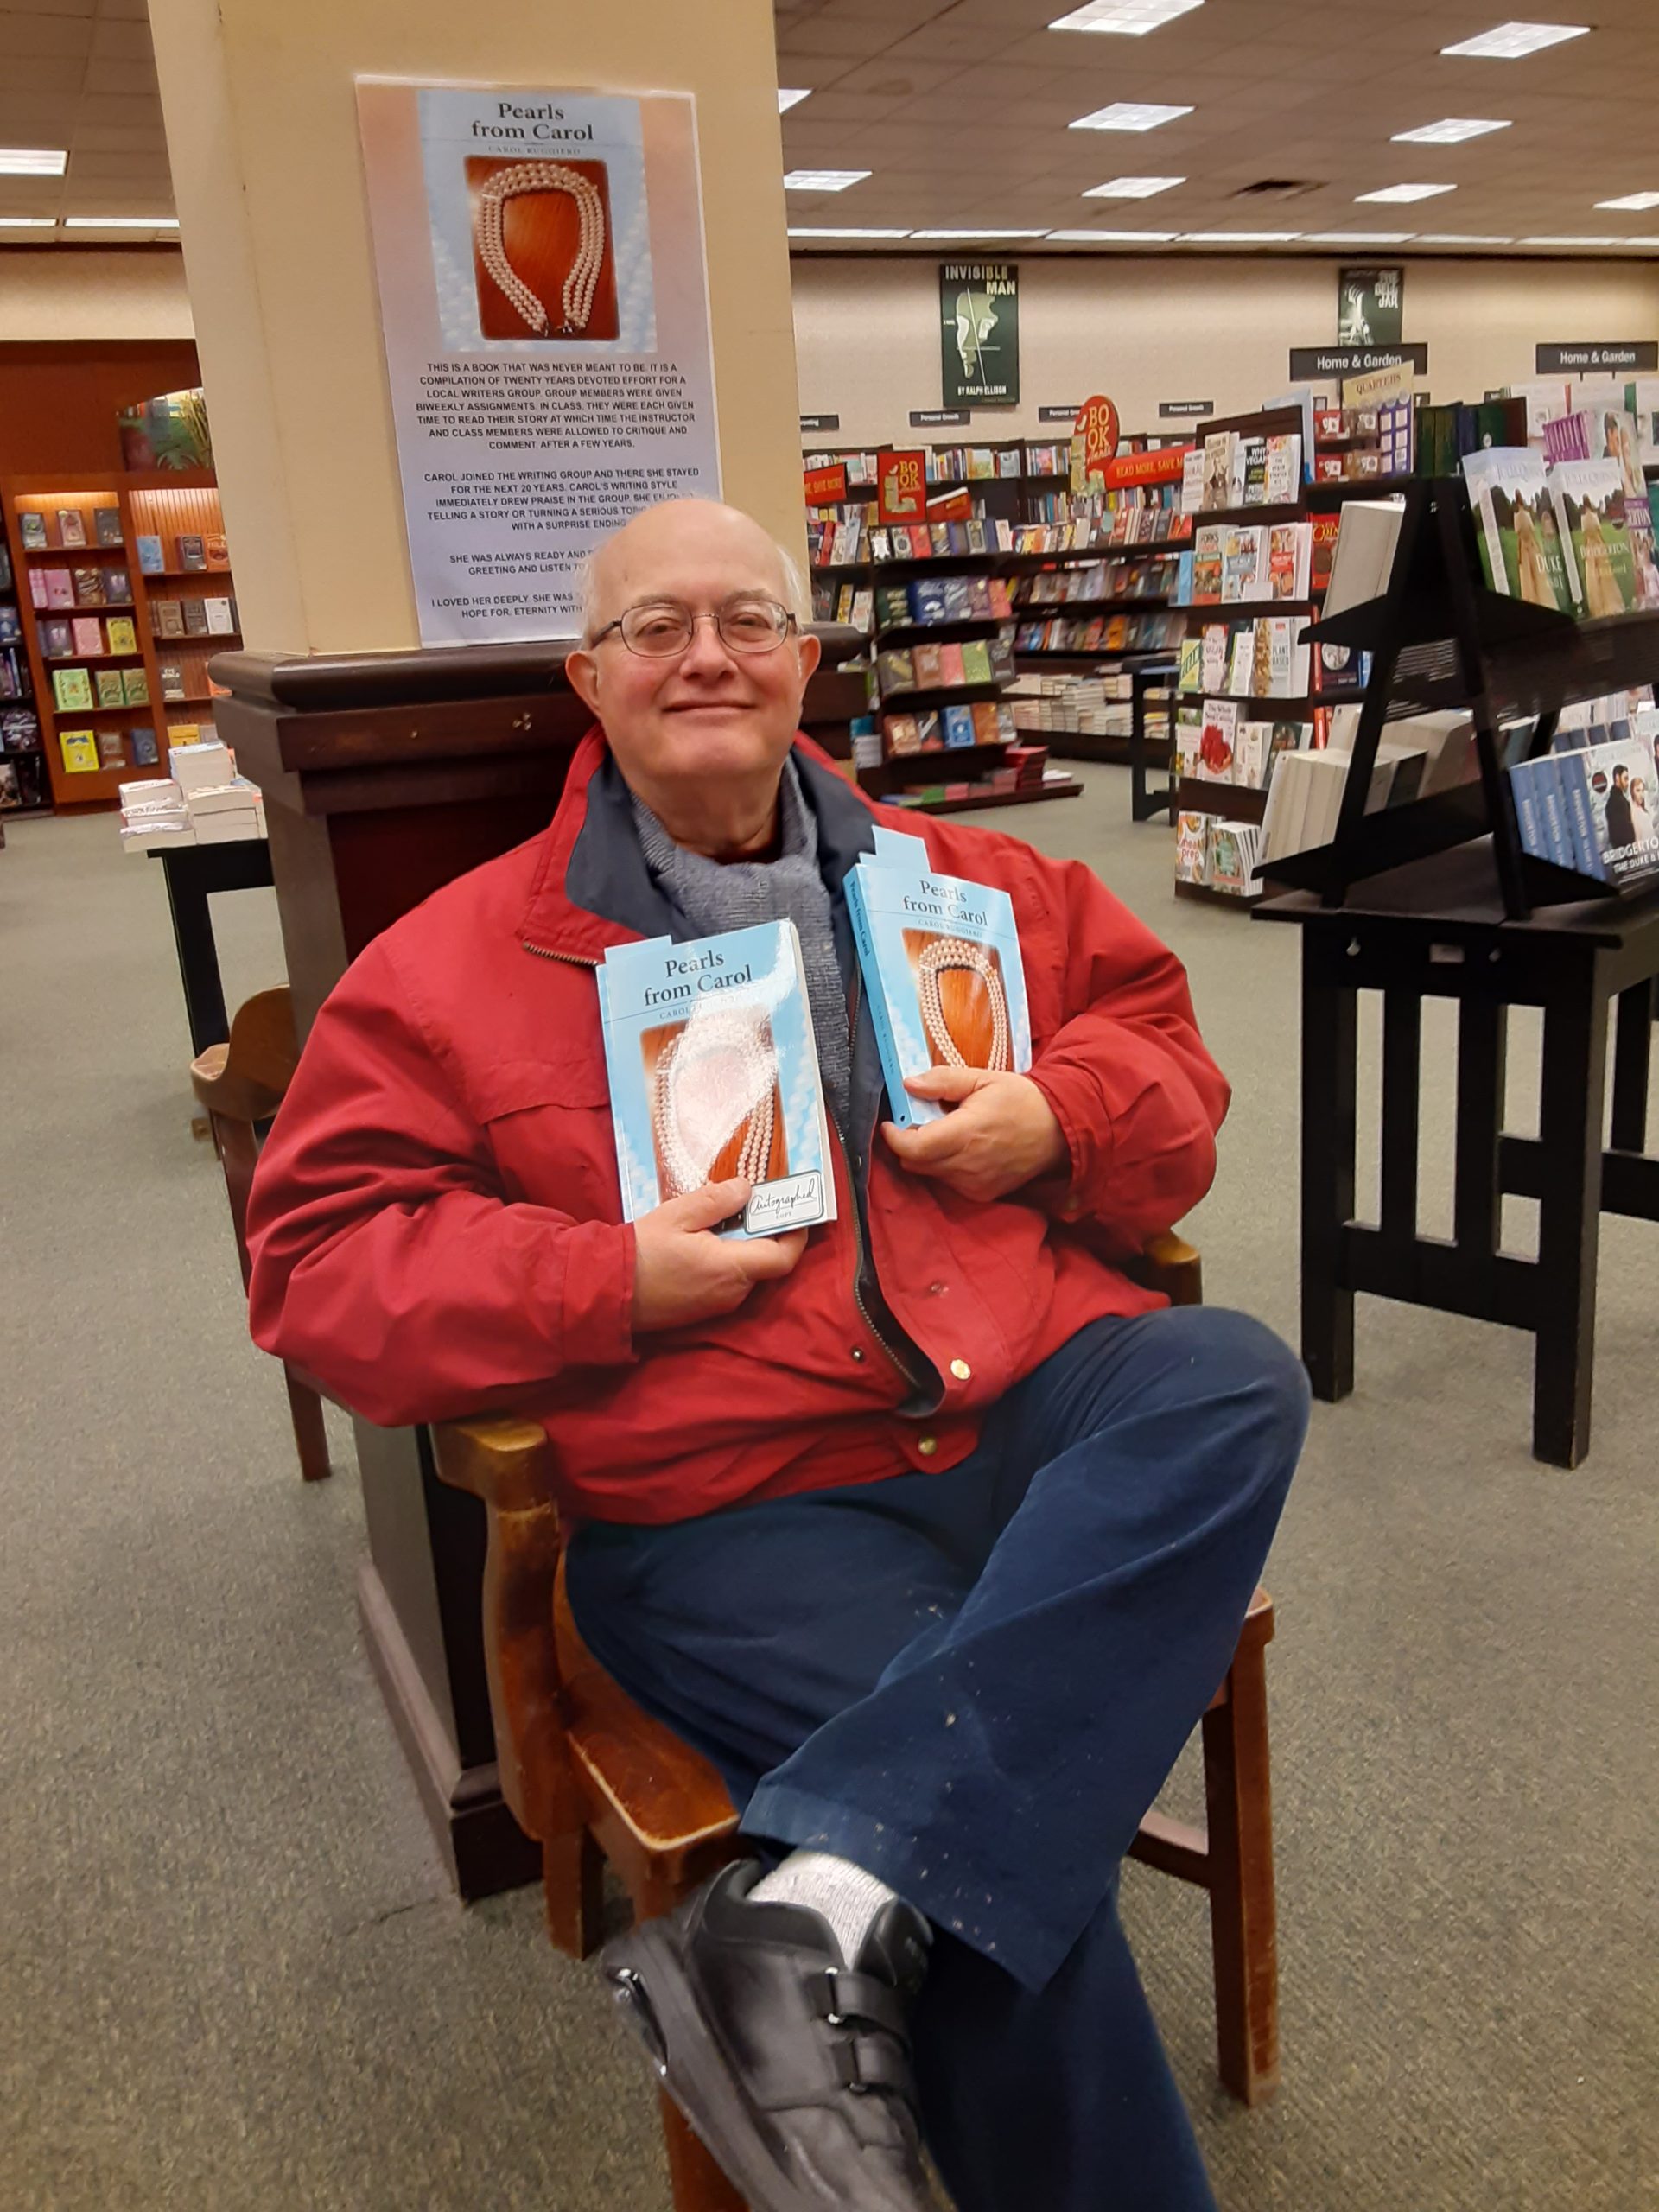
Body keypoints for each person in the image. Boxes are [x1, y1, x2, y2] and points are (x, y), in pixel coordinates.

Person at [245, 498, 1308, 2212]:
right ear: (588, 678)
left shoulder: (982, 880)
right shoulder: (449, 965)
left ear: (808, 659)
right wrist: (606, 1279)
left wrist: (1061, 1114)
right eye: (654, 627)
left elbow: (1170, 1068)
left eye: (747, 619)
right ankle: (876, 1895)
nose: (707, 656)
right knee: (1003, 1892)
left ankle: (809, 1911)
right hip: (739, 1501)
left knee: (1231, 1376)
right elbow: (315, 1268)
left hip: (1018, 1400)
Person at [1604, 761, 1636, 854]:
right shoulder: (1617, 802)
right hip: (1626, 852)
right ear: (1617, 778)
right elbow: (1621, 833)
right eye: (1625, 779)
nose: (1627, 783)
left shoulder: (1616, 800)